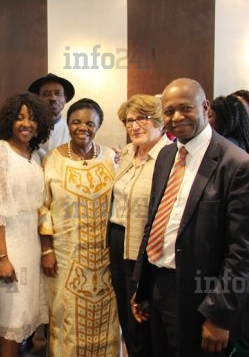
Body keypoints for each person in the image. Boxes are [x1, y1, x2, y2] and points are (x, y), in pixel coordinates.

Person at [132, 78, 249, 357]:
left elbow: (242, 252)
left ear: (205, 107)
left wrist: (220, 315)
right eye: (169, 111)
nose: (176, 117)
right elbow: (153, 222)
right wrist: (143, 285)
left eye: (185, 108)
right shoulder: (166, 155)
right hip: (158, 285)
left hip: (202, 295)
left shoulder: (236, 164)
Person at [39, 98, 119, 357]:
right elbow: (43, 208)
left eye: (90, 123)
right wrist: (47, 250)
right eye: (76, 122)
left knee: (108, 320)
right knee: (65, 317)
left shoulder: (111, 158)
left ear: (98, 126)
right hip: (66, 258)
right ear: (68, 124)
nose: (82, 127)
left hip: (105, 259)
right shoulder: (52, 159)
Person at [0, 93, 50, 357]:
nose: (26, 124)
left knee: (26, 314)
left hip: (31, 242)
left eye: (32, 118)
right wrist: (3, 257)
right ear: (9, 120)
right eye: (20, 118)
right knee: (11, 316)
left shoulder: (37, 155)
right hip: (8, 243)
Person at [108, 95, 171, 357]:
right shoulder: (127, 153)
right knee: (125, 315)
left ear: (159, 121)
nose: (134, 126)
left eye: (141, 119)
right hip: (117, 240)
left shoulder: (170, 156)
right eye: (129, 121)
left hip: (146, 248)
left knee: (142, 319)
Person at [27, 73, 76, 156]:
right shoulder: (28, 128)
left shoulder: (72, 130)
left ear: (65, 99)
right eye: (46, 94)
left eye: (58, 93)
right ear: (38, 99)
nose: (53, 98)